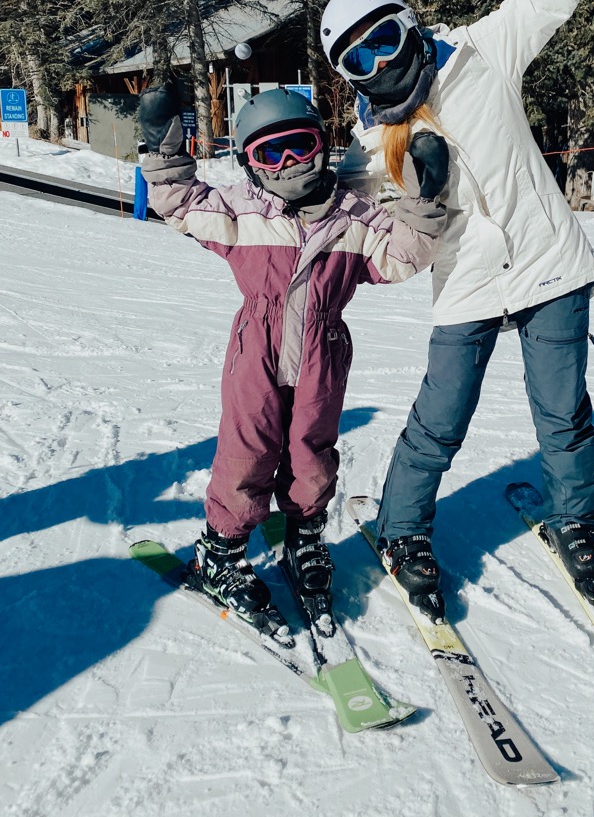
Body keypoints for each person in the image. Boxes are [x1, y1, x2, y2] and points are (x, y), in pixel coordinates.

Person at [320, 0, 594, 620]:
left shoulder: (481, 52)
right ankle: (402, 529)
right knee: (440, 420)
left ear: (407, 25)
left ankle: (575, 521)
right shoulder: (370, 146)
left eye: (382, 41)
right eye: (357, 61)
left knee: (563, 415)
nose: (378, 65)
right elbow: (336, 217)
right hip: (467, 284)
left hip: (548, 263)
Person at [139, 85, 448, 640]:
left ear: (321, 145)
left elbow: (402, 256)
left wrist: (424, 203)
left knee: (311, 451)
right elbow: (180, 202)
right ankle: (220, 551)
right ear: (248, 163)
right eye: (269, 153)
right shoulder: (243, 212)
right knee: (247, 449)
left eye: (298, 146)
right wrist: (164, 154)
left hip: (322, 354)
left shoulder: (355, 217)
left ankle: (304, 536)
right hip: (255, 352)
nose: (287, 163)